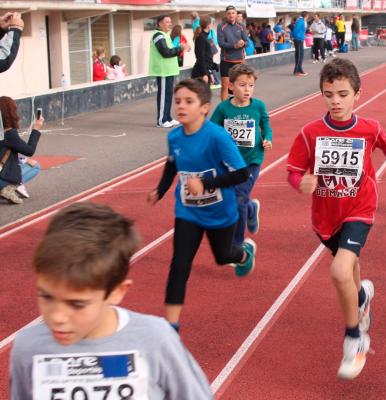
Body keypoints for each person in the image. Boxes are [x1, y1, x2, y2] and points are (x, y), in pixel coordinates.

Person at [286, 58, 386, 380]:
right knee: (350, 268)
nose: (336, 101)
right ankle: (362, 296)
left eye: (343, 94)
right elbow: (293, 170)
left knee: (340, 269)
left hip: (360, 208)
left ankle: (355, 339)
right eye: (329, 94)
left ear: (358, 94)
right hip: (326, 215)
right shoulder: (310, 133)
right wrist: (299, 183)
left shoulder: (369, 128)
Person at [9, 202, 214, 399]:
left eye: (77, 304)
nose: (57, 317)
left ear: (117, 292)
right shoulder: (28, 347)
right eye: (46, 296)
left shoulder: (156, 339)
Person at [147, 79, 256, 332]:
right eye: (177, 102)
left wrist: (207, 182)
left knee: (223, 256)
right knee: (179, 264)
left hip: (220, 213)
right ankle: (171, 326)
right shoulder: (174, 136)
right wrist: (160, 191)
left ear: (205, 108)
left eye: (188, 101)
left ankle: (244, 253)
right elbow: (172, 164)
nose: (181, 107)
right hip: (187, 211)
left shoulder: (217, 137)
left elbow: (241, 175)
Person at [210, 64, 273, 246]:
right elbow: (213, 131)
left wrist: (267, 138)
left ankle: (237, 244)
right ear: (231, 86)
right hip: (230, 163)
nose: (247, 90)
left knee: (239, 197)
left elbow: (266, 125)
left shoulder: (258, 106)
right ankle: (251, 208)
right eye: (242, 85)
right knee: (231, 198)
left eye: (251, 86)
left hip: (252, 160)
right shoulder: (223, 109)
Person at [149, 15, 190, 128]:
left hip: (169, 70)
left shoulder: (165, 35)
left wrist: (180, 47)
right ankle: (161, 120)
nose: (170, 24)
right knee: (163, 95)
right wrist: (180, 48)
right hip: (162, 70)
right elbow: (165, 52)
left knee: (168, 94)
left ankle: (167, 117)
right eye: (167, 22)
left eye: (170, 22)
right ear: (160, 24)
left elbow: (171, 51)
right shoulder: (158, 35)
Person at [0, 96, 42, 204]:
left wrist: (25, 160)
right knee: (36, 166)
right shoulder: (9, 134)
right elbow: (29, 150)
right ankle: (9, 187)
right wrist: (36, 128)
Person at [217, 5, 248, 101]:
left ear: (236, 14)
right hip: (226, 60)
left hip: (239, 61)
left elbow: (247, 42)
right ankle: (224, 109)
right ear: (226, 15)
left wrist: (243, 43)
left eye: (233, 13)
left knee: (239, 85)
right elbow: (221, 44)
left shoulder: (241, 26)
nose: (231, 15)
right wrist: (234, 46)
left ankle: (238, 105)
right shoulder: (221, 26)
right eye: (229, 13)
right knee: (225, 86)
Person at [192, 16, 214, 84]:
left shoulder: (204, 37)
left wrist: (210, 73)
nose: (212, 25)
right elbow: (200, 57)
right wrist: (205, 74)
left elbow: (207, 58)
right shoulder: (201, 38)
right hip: (200, 73)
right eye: (212, 23)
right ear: (208, 25)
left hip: (205, 71)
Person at [292, 11, 308, 76]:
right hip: (298, 39)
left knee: (300, 55)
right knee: (299, 55)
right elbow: (296, 30)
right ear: (306, 16)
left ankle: (300, 70)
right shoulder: (301, 21)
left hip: (299, 39)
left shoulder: (301, 21)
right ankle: (296, 71)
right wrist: (294, 36)